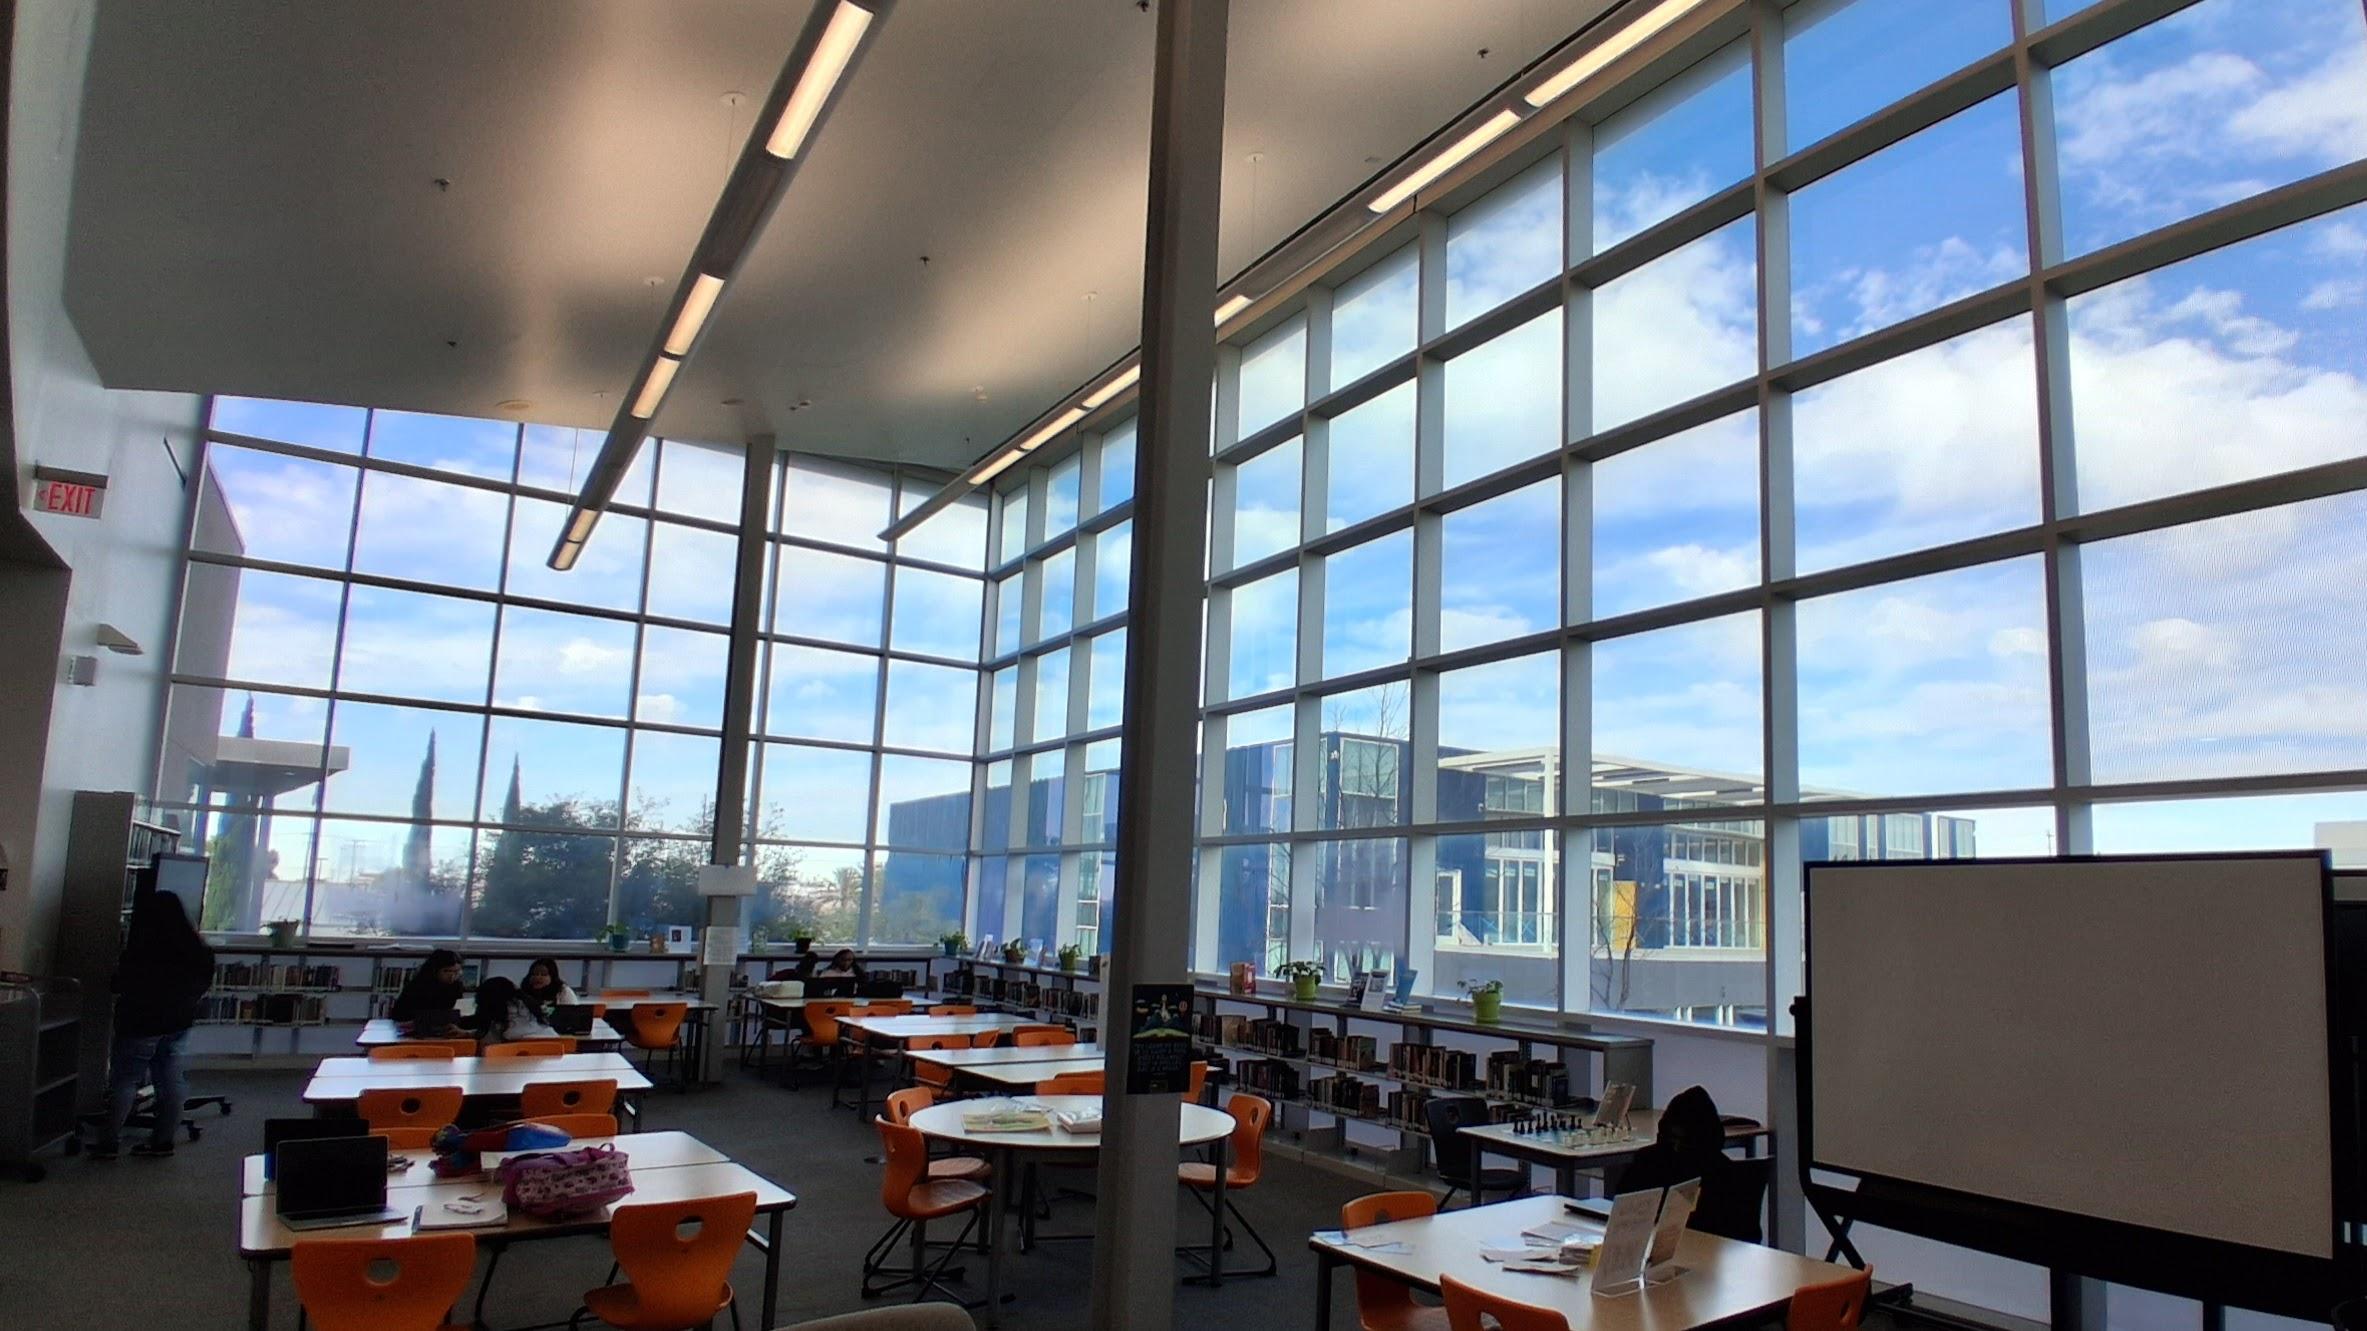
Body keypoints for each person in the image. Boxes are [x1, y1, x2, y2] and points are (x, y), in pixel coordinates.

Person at [95, 891, 214, 1159]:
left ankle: (109, 1143)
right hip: (177, 1024)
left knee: (125, 1081)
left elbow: (119, 984)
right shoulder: (199, 950)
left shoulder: (142, 950)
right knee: (171, 1081)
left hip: (139, 1025)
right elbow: (202, 985)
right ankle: (162, 1141)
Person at [1611, 1084, 1762, 1242]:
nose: (1676, 1147)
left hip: (1696, 1250)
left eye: (1681, 1140)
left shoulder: (1721, 1176)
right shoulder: (1728, 1172)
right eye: (1672, 1139)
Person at [466, 975, 557, 1045]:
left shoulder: (502, 1022)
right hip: (554, 1051)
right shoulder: (529, 1007)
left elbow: (488, 1040)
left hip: (514, 1062)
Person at [389, 948, 467, 1025]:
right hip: (414, 1028)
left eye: (456, 972)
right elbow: (399, 1015)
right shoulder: (417, 986)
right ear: (435, 970)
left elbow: (458, 1013)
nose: (452, 976)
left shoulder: (456, 986)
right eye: (447, 971)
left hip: (445, 1028)